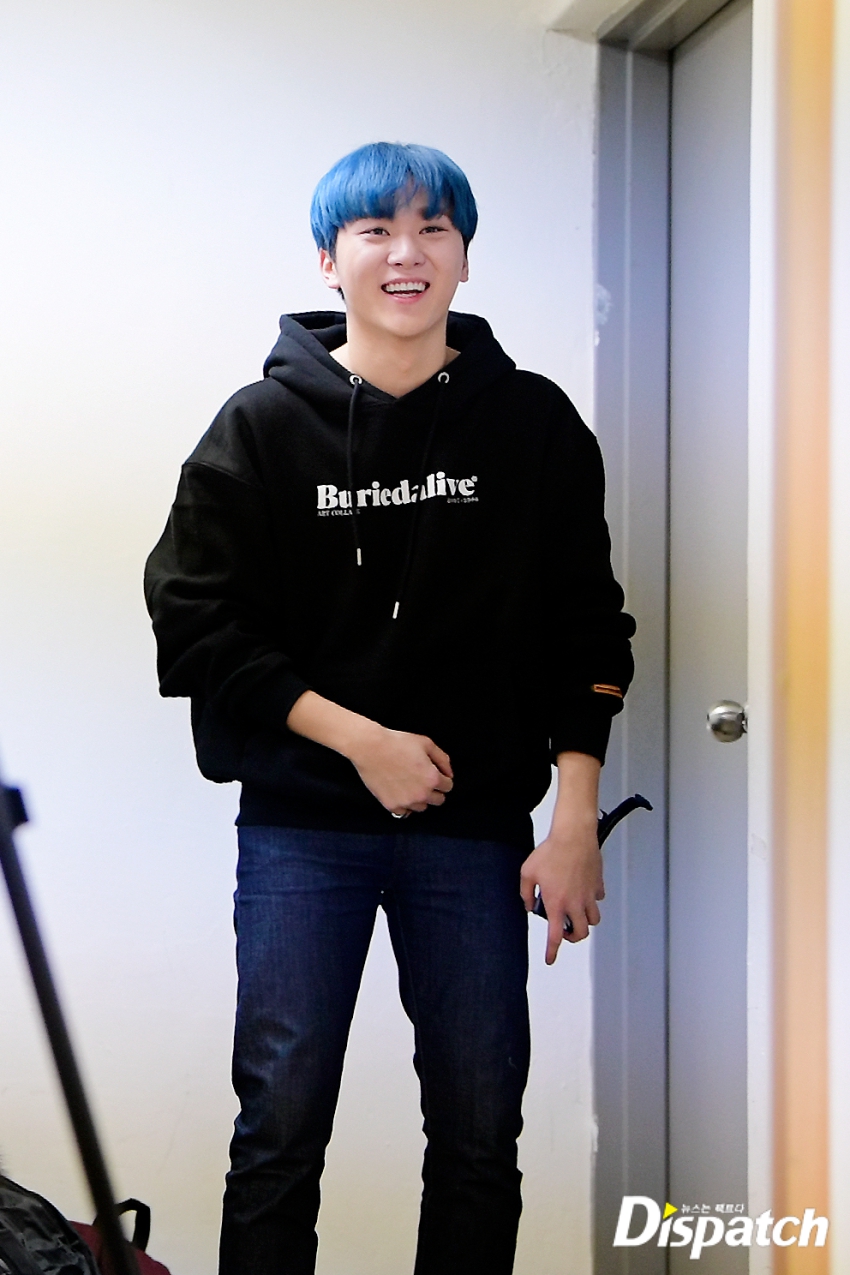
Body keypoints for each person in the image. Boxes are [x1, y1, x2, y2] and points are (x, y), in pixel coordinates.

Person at [144, 141, 635, 1275]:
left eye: (432, 229)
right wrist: (361, 741)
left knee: (479, 1135)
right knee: (278, 1132)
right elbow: (195, 624)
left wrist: (573, 822)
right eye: (374, 230)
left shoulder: (535, 425)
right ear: (330, 259)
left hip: (475, 832)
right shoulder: (260, 427)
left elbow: (588, 628)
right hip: (301, 828)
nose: (405, 252)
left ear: (464, 256)